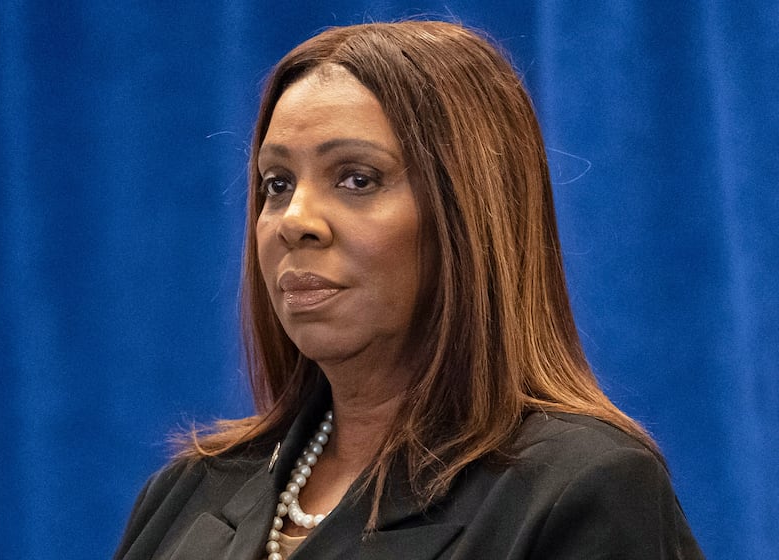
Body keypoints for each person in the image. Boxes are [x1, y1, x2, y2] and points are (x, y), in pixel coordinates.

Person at [114, 20, 703, 560]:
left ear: (469, 214)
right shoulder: (186, 491)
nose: (294, 219)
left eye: (357, 178)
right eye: (277, 183)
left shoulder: (582, 488)